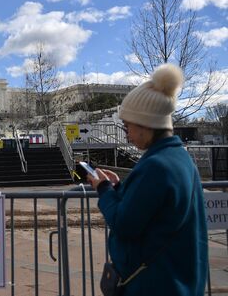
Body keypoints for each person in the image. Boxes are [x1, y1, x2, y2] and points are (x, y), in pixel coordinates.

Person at [87, 63, 208, 295]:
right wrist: (120, 188)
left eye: (127, 126)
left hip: (155, 283)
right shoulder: (180, 159)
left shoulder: (156, 166)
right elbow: (151, 209)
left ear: (145, 124)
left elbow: (125, 223)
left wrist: (103, 188)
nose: (127, 134)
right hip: (179, 280)